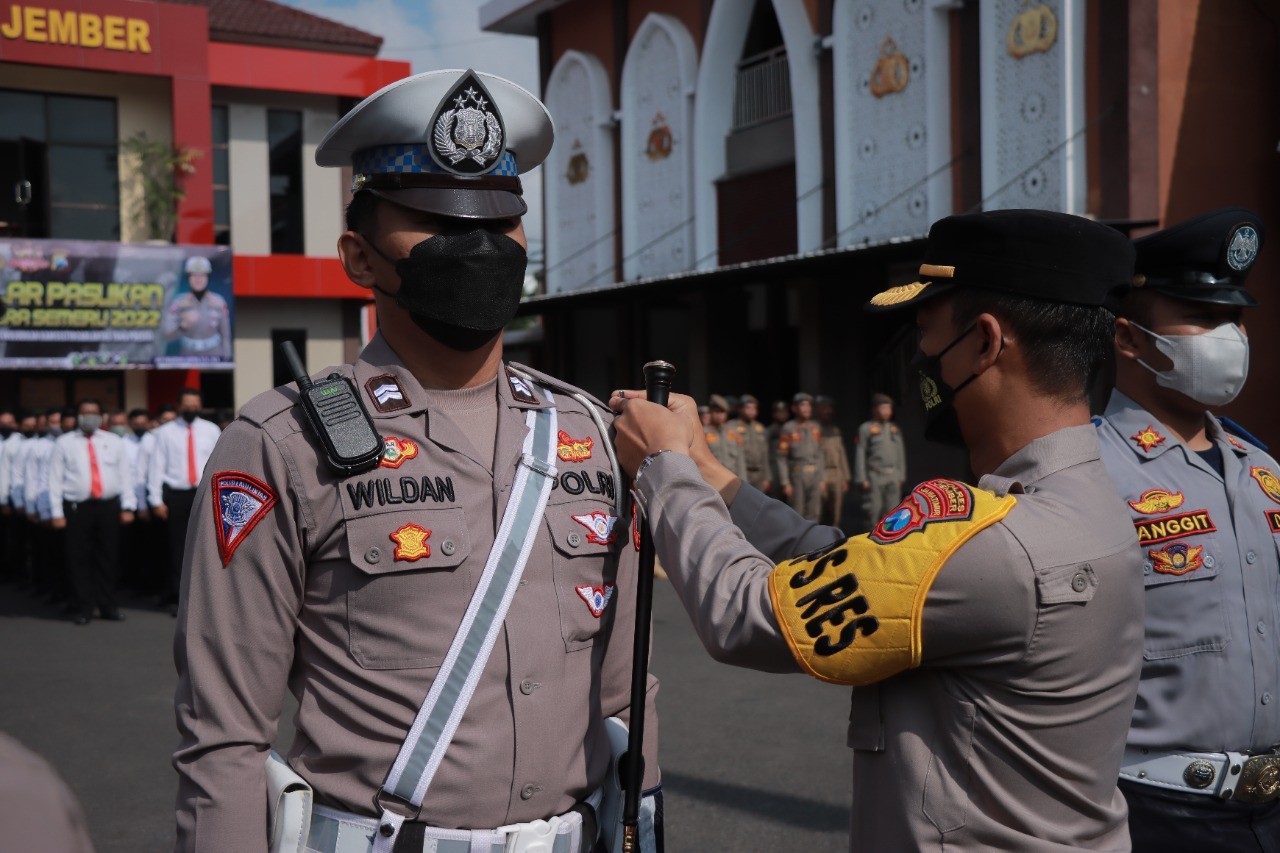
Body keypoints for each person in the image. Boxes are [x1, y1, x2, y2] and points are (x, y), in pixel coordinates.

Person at [173, 68, 661, 853]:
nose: (479, 247)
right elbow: (223, 736)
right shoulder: (282, 442)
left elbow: (627, 695)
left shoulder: (590, 430)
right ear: (360, 257)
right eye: (437, 222)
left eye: (501, 221)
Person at [609, 209, 1145, 850]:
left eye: (925, 333)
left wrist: (664, 468)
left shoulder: (999, 543)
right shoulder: (1082, 500)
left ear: (984, 342)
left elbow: (747, 613)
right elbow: (853, 566)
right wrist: (709, 471)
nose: (921, 358)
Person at [1094, 207, 1280, 850]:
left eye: (1234, 320)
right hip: (1155, 810)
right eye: (1202, 318)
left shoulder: (1264, 471)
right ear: (1129, 338)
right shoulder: (1089, 470)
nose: (1228, 338)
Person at [48, 399, 136, 624]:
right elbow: (54, 480)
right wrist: (56, 513)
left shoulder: (113, 441)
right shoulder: (64, 443)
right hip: (78, 508)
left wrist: (128, 506)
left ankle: (108, 606)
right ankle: (83, 607)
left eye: (94, 412)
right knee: (79, 558)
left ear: (101, 416)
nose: (89, 416)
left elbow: (125, 475)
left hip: (108, 506)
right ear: (77, 416)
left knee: (108, 557)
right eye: (85, 412)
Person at [148, 388, 219, 613]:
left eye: (195, 404)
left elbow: (219, 462)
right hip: (176, 496)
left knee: (207, 545)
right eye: (187, 404)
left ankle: (206, 599)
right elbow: (156, 466)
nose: (191, 408)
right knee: (178, 548)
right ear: (179, 406)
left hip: (204, 493)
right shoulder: (165, 432)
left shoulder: (211, 430)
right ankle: (182, 601)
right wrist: (155, 500)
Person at [854, 393, 907, 530]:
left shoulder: (894, 429)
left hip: (893, 475)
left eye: (889, 408)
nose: (886, 411)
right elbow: (860, 453)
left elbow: (900, 453)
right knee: (872, 511)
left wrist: (901, 476)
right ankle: (871, 538)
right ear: (875, 409)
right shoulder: (866, 428)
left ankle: (890, 539)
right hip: (875, 475)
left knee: (893, 512)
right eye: (883, 408)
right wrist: (862, 478)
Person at [163, 256, 232, 359]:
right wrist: (183, 325)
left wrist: (227, 359)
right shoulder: (179, 303)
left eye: (202, 275)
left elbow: (226, 336)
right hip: (187, 353)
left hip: (214, 354)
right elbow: (167, 335)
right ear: (189, 278)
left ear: (207, 277)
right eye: (194, 275)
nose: (198, 279)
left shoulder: (218, 301)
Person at [775, 392, 825, 522]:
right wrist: (785, 482)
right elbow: (781, 457)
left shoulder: (815, 427)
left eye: (809, 405)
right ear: (794, 408)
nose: (806, 408)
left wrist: (822, 478)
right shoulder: (788, 428)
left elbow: (820, 454)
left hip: (815, 473)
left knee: (814, 512)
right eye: (803, 405)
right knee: (797, 513)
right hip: (797, 474)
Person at [815, 396, 852, 528]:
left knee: (836, 511)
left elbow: (841, 454)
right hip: (821, 473)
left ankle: (835, 534)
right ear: (818, 409)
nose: (829, 411)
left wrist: (845, 477)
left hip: (836, 472)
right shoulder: (814, 429)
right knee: (820, 511)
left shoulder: (835, 430)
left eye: (830, 408)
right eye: (825, 408)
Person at [729, 394, 772, 495]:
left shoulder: (759, 428)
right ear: (740, 409)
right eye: (748, 408)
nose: (751, 411)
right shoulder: (732, 427)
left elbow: (765, 454)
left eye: (754, 408)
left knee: (759, 501)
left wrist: (767, 477)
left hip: (759, 473)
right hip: (741, 472)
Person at [704, 394, 746, 480]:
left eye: (722, 412)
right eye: (716, 411)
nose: (719, 415)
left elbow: (740, 459)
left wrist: (743, 480)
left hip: (733, 478)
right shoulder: (703, 432)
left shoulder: (734, 432)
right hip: (713, 479)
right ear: (710, 412)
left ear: (726, 413)